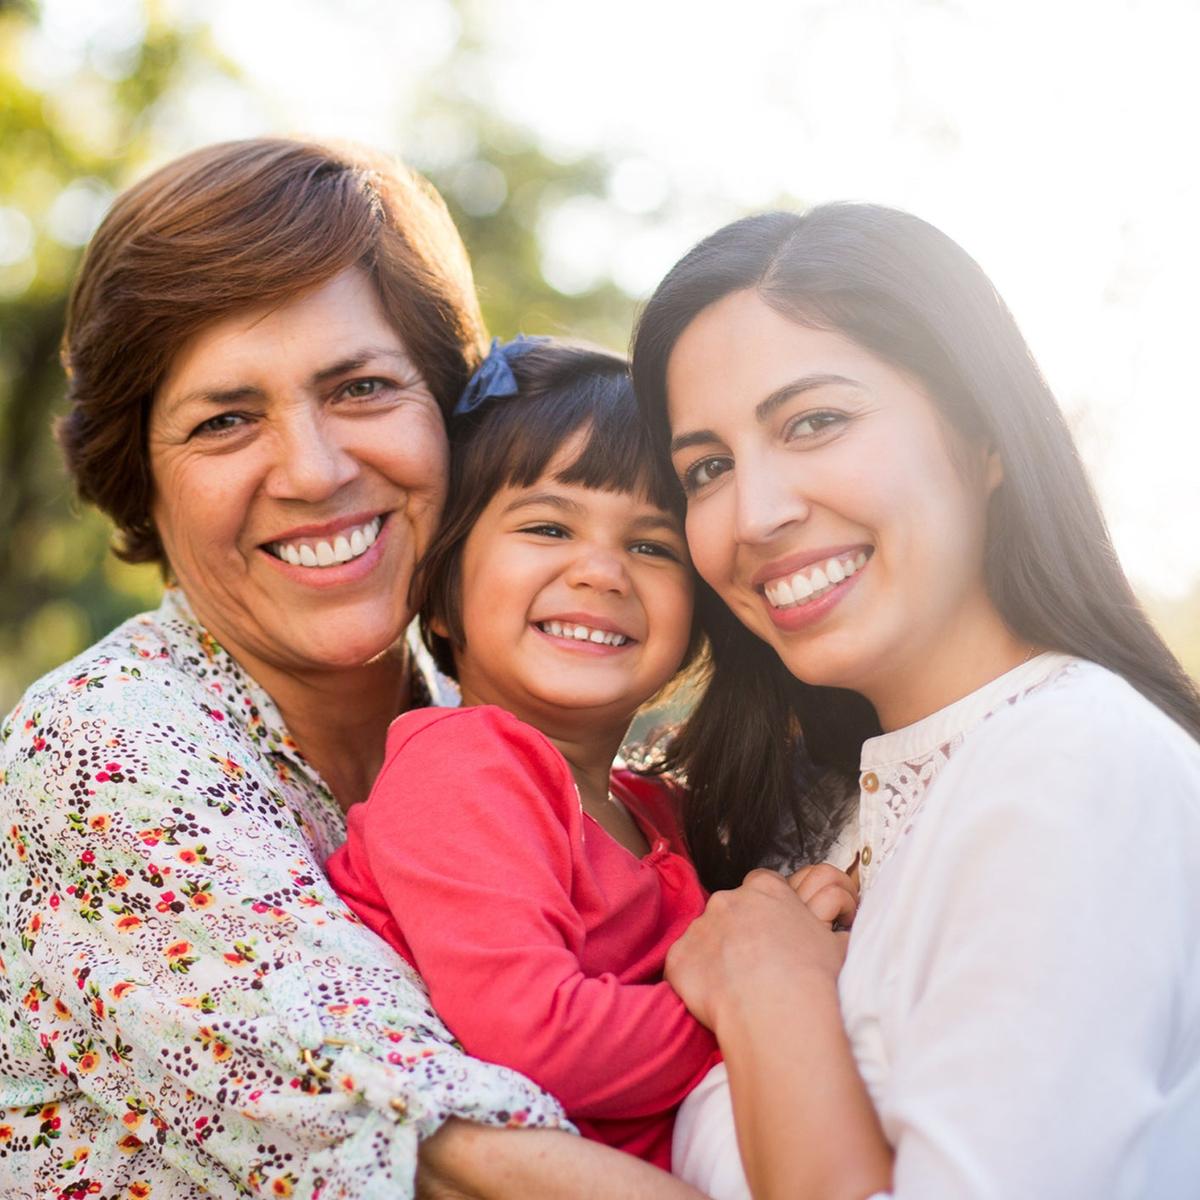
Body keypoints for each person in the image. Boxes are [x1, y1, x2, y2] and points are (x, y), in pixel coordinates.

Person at [0, 138, 702, 1200]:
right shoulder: (109, 747)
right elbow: (457, 1159)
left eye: (363, 386)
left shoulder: (506, 720)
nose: (317, 470)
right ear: (142, 473)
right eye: (226, 419)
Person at [629, 204, 1200, 1200]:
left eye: (815, 421)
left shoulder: (1074, 763)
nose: (755, 515)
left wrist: (772, 991)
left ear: (984, 435)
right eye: (708, 469)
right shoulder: (835, 818)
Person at [326, 336, 724, 1168]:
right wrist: (757, 1006)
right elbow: (536, 1036)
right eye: (548, 526)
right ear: (440, 598)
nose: (603, 571)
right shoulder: (465, 767)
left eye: (653, 545)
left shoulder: (659, 808)